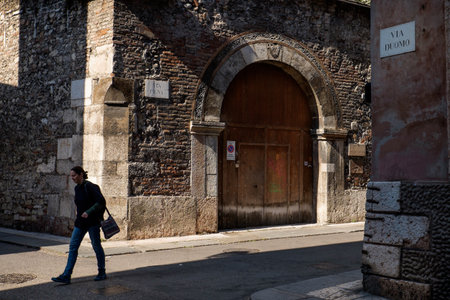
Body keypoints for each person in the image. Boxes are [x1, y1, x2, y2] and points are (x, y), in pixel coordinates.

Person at [51, 166, 107, 284]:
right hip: (80, 223)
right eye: (71, 176)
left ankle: (101, 272)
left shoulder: (91, 187)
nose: (72, 178)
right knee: (73, 247)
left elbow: (101, 201)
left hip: (92, 223)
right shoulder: (77, 188)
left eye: (74, 175)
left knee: (96, 246)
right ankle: (66, 275)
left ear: (81, 174)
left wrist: (89, 212)